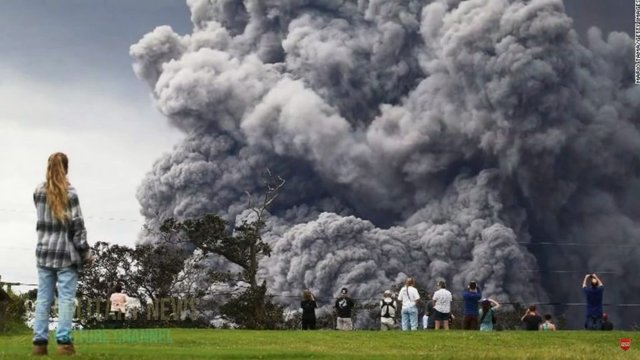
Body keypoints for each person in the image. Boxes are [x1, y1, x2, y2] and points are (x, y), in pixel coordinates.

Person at [32, 153, 92, 356]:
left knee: (43, 299)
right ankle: (64, 343)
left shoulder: (38, 192)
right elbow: (77, 227)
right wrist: (85, 253)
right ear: (66, 168)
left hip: (44, 253)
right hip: (66, 255)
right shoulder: (71, 193)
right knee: (65, 299)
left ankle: (39, 343)